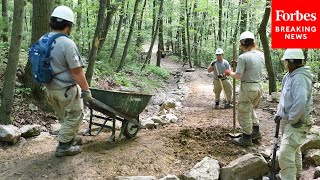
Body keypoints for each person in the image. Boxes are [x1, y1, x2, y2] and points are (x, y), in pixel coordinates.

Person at [44, 6, 92, 157]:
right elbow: (77, 71)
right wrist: (86, 90)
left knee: (64, 116)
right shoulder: (67, 43)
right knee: (75, 115)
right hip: (66, 90)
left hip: (49, 89)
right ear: (68, 25)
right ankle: (63, 146)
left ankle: (69, 139)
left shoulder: (44, 39)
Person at [274, 49, 313, 180]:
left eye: (286, 61)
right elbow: (285, 97)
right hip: (289, 119)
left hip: (297, 121)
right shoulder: (290, 76)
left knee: (285, 154)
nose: (285, 64)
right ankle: (295, 176)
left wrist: (292, 118)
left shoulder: (300, 78)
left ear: (290, 62)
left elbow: (301, 101)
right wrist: (279, 113)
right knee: (293, 151)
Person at [225, 31, 265, 147]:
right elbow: (252, 66)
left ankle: (246, 138)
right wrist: (239, 64)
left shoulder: (243, 57)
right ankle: (256, 132)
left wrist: (229, 72)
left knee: (243, 112)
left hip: (248, 88)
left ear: (242, 43)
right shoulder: (260, 54)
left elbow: (238, 76)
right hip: (258, 86)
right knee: (250, 109)